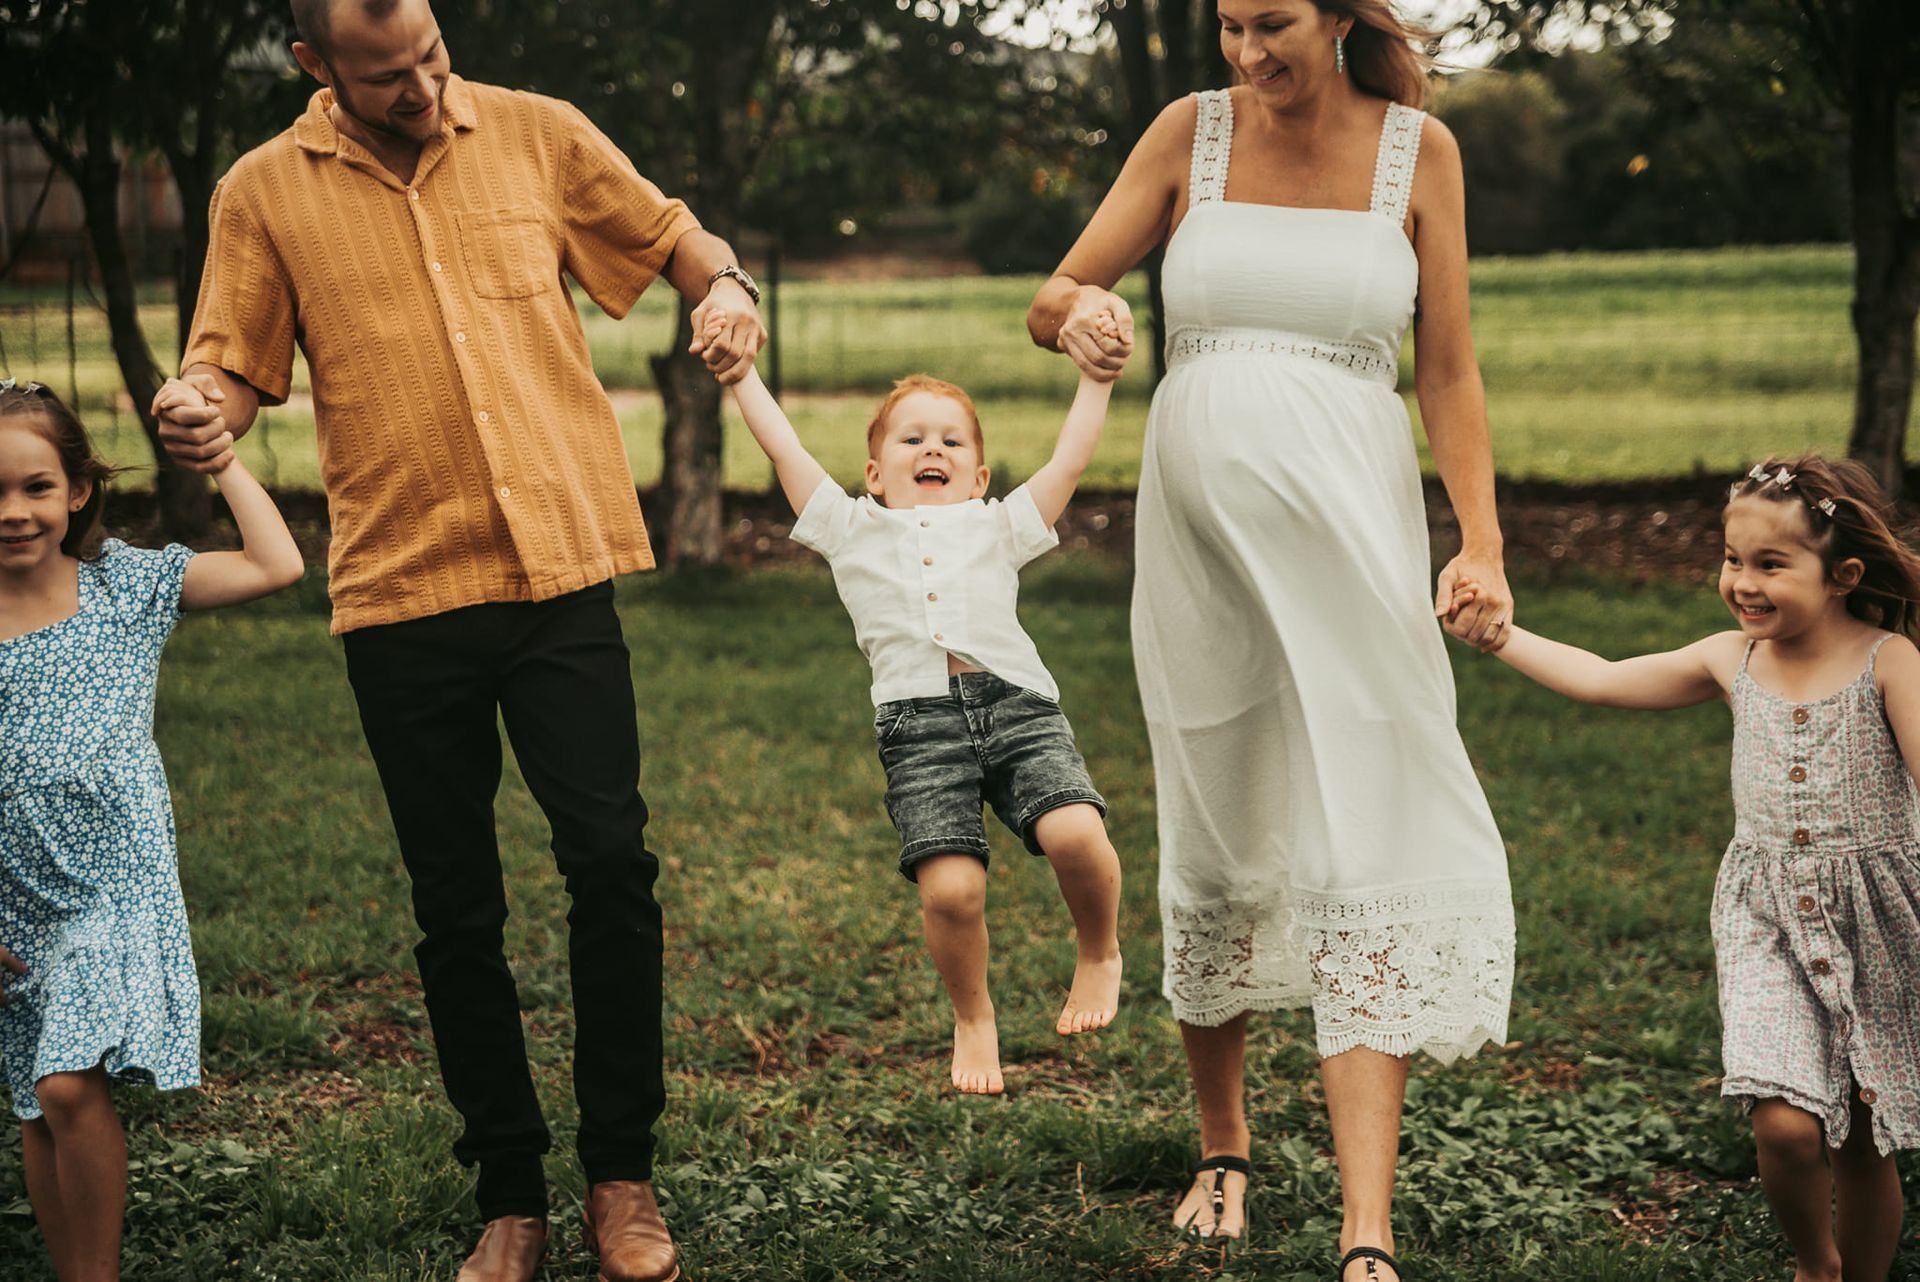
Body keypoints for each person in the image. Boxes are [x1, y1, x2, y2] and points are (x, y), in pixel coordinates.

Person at [146, 1, 766, 1278]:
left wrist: (728, 291)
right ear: (317, 67)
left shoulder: (539, 133)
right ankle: (510, 1194)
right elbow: (232, 367)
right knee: (456, 907)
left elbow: (671, 236)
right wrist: (197, 407)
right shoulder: (261, 191)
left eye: (430, 58)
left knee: (609, 859)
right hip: (405, 595)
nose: (424, 87)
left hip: (562, 572)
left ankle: (622, 1180)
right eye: (387, 78)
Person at [1025, 2, 1515, 1275]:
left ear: (1342, 13)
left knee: (1370, 811)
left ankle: (1367, 1228)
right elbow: (1058, 289)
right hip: (1199, 553)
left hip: (1354, 533)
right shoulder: (1190, 131)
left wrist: (1481, 541)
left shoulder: (1422, 153)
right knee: (1220, 807)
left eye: (1275, 24)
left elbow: (1448, 371)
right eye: (1231, 25)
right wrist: (1076, 313)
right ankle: (1224, 1144)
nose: (1249, 52)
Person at [1449, 457, 1915, 1282]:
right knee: (1783, 1123)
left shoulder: (1890, 663)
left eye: (1772, 565)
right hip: (1766, 919)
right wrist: (1500, 634)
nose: (1743, 582)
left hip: (1874, 922)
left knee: (1860, 1139)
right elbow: (1602, 679)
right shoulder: (1729, 659)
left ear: (1843, 574)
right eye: (1733, 560)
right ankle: (1817, 1264)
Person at [716, 344, 1126, 1096]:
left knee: (1076, 833)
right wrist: (742, 377)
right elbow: (783, 445)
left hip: (1018, 710)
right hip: (919, 732)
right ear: (875, 476)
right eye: (911, 439)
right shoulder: (849, 527)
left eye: (950, 440)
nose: (931, 447)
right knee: (949, 892)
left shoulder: (997, 525)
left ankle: (1099, 951)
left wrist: (1096, 381)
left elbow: (1068, 463)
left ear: (978, 477)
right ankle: (974, 1018)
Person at [0, 380, 303, 1282]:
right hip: (17, 899)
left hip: (115, 886)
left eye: (36, 487)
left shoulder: (124, 587)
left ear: (79, 491)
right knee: (37, 1103)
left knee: (64, 1084)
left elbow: (275, 564)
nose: (14, 512)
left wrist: (220, 461)